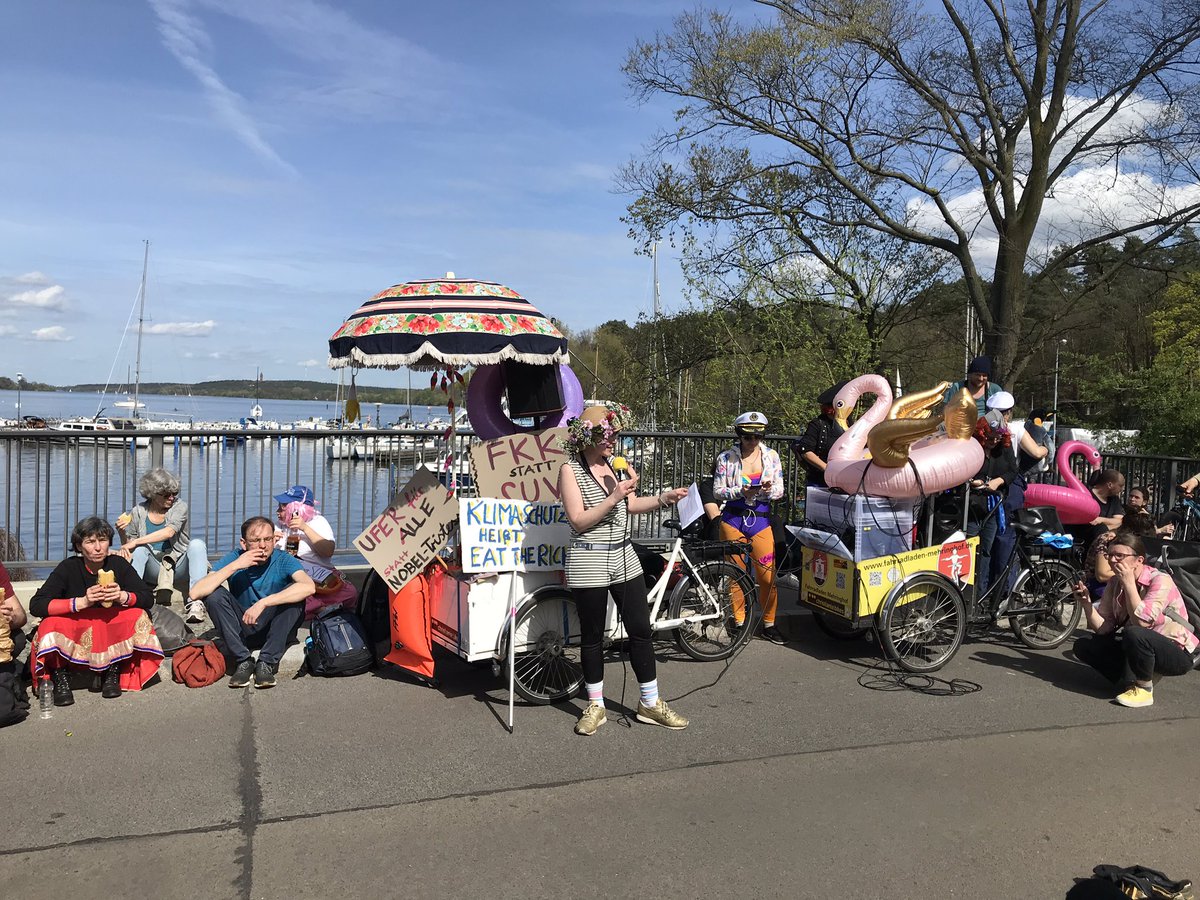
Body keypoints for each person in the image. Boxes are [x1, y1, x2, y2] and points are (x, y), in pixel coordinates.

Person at [557, 402, 689, 736]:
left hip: (623, 556)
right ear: (588, 437)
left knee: (641, 629)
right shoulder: (569, 470)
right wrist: (614, 496)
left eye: (616, 434)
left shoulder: (614, 466)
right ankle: (596, 705)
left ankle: (650, 702)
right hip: (589, 558)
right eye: (607, 435)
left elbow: (630, 505)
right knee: (591, 636)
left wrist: (663, 499)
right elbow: (578, 520)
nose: (614, 441)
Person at [28, 516, 163, 706]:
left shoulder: (118, 564)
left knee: (137, 614)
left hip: (108, 628)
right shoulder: (68, 567)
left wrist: (122, 596)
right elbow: (37, 605)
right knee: (50, 623)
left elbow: (147, 598)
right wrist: (81, 602)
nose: (98, 548)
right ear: (79, 546)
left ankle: (113, 669)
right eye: (90, 542)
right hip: (79, 627)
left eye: (102, 540)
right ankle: (60, 676)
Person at [1071, 531, 1199, 708]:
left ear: (1139, 560)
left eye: (1120, 555)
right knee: (1084, 645)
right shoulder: (1115, 582)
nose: (1113, 560)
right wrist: (1086, 605)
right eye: (1110, 555)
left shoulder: (1160, 580)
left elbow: (1143, 623)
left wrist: (1130, 584)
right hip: (1138, 644)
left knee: (1135, 632)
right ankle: (1129, 680)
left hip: (1175, 650)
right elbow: (1104, 628)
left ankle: (1144, 690)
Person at [191, 516, 315, 690]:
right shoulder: (236, 557)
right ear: (244, 543)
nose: (263, 546)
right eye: (256, 541)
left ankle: (266, 662)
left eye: (268, 539)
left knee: (294, 593)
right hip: (243, 629)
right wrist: (235, 566)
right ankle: (243, 660)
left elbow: (309, 587)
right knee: (214, 595)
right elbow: (195, 592)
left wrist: (264, 602)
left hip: (276, 630)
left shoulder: (283, 559)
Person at [713, 411, 787, 644]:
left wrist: (766, 490)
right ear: (739, 435)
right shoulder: (726, 458)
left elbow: (780, 490)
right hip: (733, 520)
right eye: (747, 438)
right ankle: (739, 622)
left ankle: (769, 623)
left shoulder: (772, 456)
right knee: (736, 575)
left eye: (757, 437)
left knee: (767, 576)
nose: (752, 442)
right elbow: (718, 491)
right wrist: (740, 491)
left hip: (761, 521)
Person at [115, 467, 210, 623]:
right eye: (166, 495)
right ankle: (132, 600)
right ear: (152, 494)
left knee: (197, 544)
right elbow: (129, 547)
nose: (171, 498)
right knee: (139, 550)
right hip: (153, 569)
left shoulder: (180, 507)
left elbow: (169, 532)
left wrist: (137, 541)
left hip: (177, 564)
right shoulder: (138, 512)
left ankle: (195, 602)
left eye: (174, 493)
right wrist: (121, 533)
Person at [272, 485, 358, 619]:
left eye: (282, 507)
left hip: (319, 576)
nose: (277, 511)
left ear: (296, 509)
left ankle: (314, 608)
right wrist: (270, 541)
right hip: (295, 577)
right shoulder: (277, 526)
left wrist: (305, 528)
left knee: (350, 593)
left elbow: (327, 551)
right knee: (293, 595)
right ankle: (320, 608)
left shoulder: (318, 522)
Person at [966, 417, 1019, 597]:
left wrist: (998, 481)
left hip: (993, 505)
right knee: (969, 548)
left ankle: (980, 595)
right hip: (972, 506)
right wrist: (973, 481)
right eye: (990, 437)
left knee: (986, 549)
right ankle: (966, 593)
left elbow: (1013, 471)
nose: (994, 441)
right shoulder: (972, 446)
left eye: (998, 437)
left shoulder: (1004, 448)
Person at [793, 380, 848, 489]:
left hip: (846, 480)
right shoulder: (818, 424)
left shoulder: (851, 423)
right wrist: (828, 469)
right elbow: (806, 450)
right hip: (820, 480)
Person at [1067, 469, 1125, 552]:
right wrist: (1111, 523)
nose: (1122, 489)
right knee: (1099, 528)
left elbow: (1120, 520)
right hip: (1086, 541)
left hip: (1108, 540)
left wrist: (1100, 519)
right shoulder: (1086, 496)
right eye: (1120, 485)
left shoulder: (1114, 500)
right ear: (1109, 485)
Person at [944, 355, 1003, 423]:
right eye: (977, 375)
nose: (981, 379)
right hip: (961, 426)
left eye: (984, 375)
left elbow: (1003, 414)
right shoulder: (957, 387)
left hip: (988, 428)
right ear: (970, 374)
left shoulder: (995, 390)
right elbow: (946, 410)